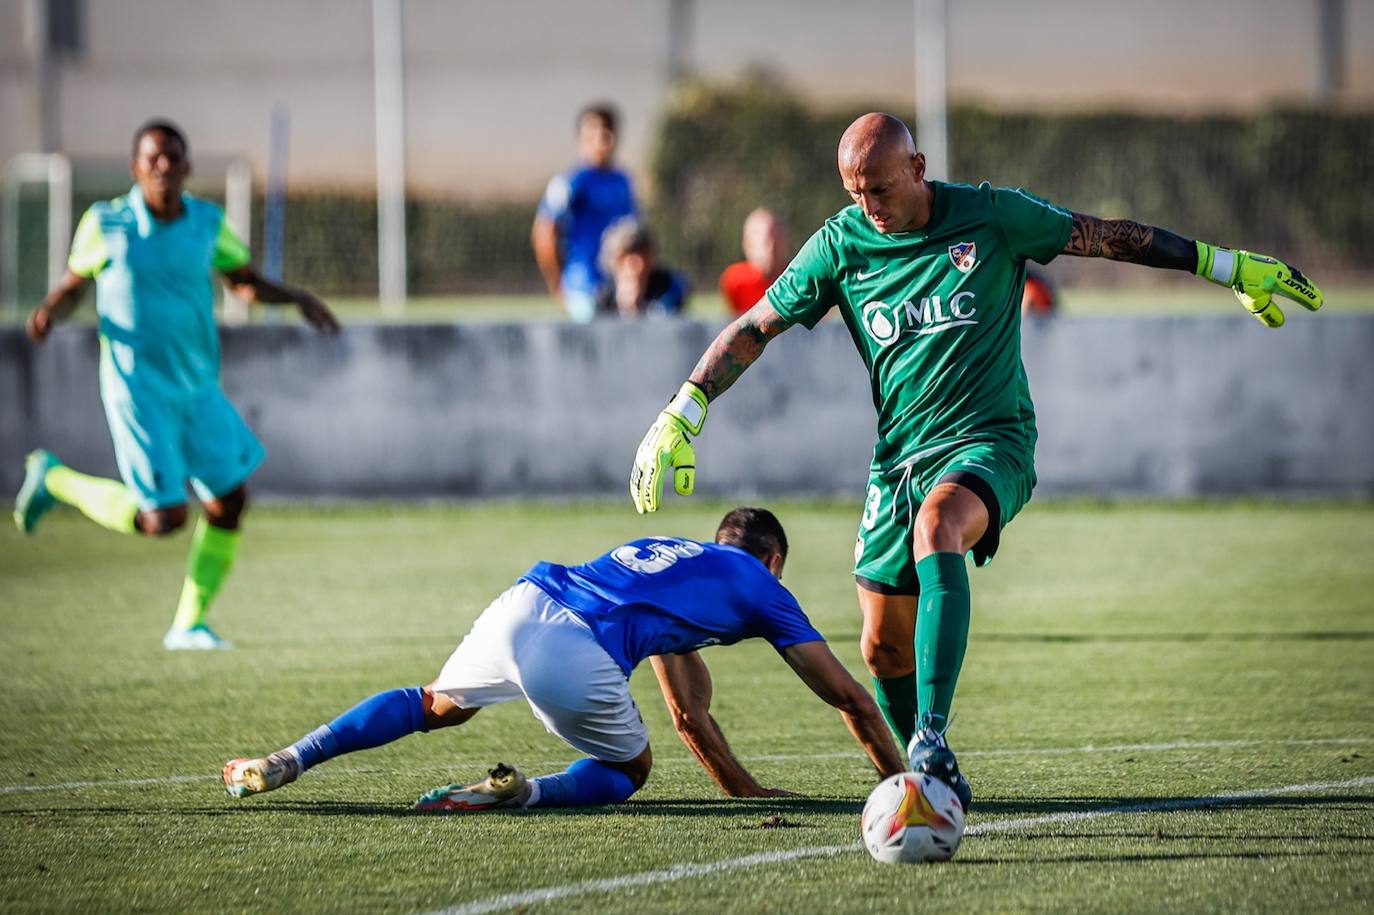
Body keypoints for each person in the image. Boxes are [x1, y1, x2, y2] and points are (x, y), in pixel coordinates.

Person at [628, 112, 1323, 811]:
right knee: (881, 651)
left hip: (991, 440)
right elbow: (755, 328)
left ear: (919, 167)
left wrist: (1223, 264)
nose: (868, 204)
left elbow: (1107, 237)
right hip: (898, 459)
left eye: (879, 187)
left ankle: (930, 734)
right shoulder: (841, 245)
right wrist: (683, 410)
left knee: (939, 527)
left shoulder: (992, 216)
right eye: (853, 191)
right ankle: (928, 786)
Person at [222, 507, 904, 809]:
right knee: (631, 768)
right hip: (577, 644)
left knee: (435, 704)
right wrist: (904, 785)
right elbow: (849, 695)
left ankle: (292, 755)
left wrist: (743, 789)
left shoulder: (675, 558)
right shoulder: (761, 587)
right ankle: (527, 792)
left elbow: (688, 711)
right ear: (774, 561)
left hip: (525, 598)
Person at [12, 119, 339, 651]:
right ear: (135, 168)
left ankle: (189, 624)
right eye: (153, 158)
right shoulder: (107, 222)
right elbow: (76, 283)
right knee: (163, 518)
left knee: (229, 501)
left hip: (197, 388)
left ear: (187, 167)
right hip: (137, 389)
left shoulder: (207, 222)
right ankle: (54, 480)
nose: (164, 165)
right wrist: (51, 308)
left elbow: (243, 282)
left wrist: (297, 297)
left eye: (173, 157)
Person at [532, 103, 639, 324]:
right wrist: (558, 284)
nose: (602, 138)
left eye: (607, 130)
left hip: (619, 289)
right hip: (584, 287)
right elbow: (545, 231)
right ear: (582, 137)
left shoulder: (623, 181)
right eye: (594, 131)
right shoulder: (572, 182)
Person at [595, 217, 689, 318]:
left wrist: (639, 306)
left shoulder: (667, 288)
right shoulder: (605, 297)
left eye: (642, 258)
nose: (636, 268)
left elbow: (672, 319)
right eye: (627, 261)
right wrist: (625, 308)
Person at [719, 207, 790, 316]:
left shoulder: (799, 278)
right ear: (748, 244)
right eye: (766, 242)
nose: (772, 249)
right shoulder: (735, 281)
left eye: (778, 242)